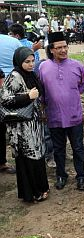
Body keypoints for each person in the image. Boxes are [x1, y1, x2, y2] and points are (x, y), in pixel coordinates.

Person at [39, 32, 84, 191]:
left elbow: (81, 87)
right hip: (54, 117)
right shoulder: (43, 67)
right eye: (59, 47)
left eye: (65, 46)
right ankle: (61, 175)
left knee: (78, 148)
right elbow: (42, 92)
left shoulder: (78, 66)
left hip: (74, 116)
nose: (63, 50)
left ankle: (81, 176)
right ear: (51, 49)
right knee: (58, 149)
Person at [0, 47, 49, 202]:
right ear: (19, 61)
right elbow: (5, 99)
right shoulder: (14, 76)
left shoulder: (31, 75)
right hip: (22, 127)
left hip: (34, 124)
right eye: (27, 61)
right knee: (28, 157)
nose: (31, 64)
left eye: (33, 61)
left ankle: (42, 188)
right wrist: (27, 96)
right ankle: (33, 193)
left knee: (38, 155)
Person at [0, 21, 21, 175]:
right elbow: (24, 60)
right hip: (13, 86)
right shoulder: (13, 41)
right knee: (14, 124)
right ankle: (9, 160)